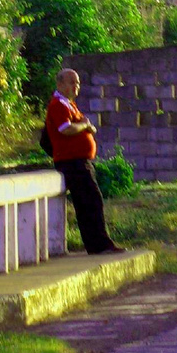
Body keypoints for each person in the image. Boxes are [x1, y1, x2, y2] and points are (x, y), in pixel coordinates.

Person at [47, 68, 124, 255]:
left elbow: (77, 127)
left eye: (78, 83)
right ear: (60, 84)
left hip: (80, 161)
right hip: (72, 162)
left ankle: (99, 243)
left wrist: (86, 128)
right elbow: (65, 129)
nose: (76, 87)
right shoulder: (58, 104)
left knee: (92, 201)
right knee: (89, 202)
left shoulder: (69, 104)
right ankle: (99, 245)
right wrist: (85, 126)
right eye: (72, 82)